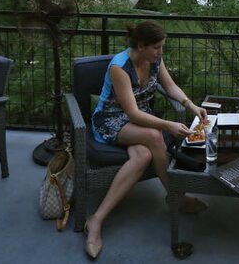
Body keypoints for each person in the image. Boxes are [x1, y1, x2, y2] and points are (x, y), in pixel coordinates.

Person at [85, 20, 208, 259]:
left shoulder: (154, 60)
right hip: (111, 119)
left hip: (140, 119)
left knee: (142, 156)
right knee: (154, 136)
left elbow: (170, 86)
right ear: (140, 46)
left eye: (162, 47)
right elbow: (131, 113)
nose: (160, 52)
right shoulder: (119, 67)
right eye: (156, 47)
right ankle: (175, 197)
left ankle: (96, 219)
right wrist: (168, 125)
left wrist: (192, 106)